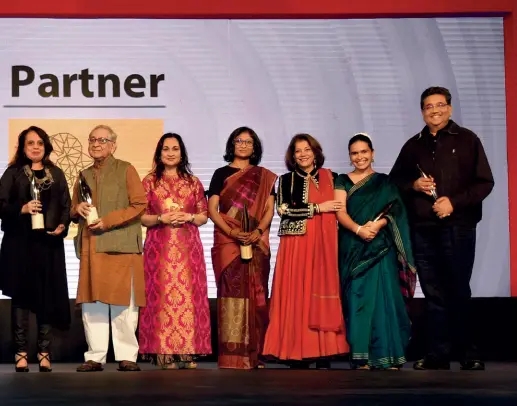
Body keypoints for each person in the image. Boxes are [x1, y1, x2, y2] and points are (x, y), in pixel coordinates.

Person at [390, 86, 494, 371]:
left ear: (449, 108)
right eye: (428, 107)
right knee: (433, 292)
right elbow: (394, 181)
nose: (434, 111)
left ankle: (468, 352)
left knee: (458, 289)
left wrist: (454, 203)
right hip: (423, 228)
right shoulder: (414, 145)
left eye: (439, 105)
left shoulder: (468, 140)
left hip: (457, 226)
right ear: (422, 112)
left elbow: (484, 182)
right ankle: (438, 354)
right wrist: (414, 184)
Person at [263, 133, 348, 369]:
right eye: (298, 151)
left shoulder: (331, 177)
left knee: (321, 287)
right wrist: (319, 208)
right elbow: (283, 209)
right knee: (297, 291)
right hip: (297, 243)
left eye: (307, 149)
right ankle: (296, 350)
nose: (303, 154)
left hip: (325, 242)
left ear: (315, 152)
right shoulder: (286, 180)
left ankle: (325, 350)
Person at [335, 133, 416, 370]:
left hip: (381, 247)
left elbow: (396, 212)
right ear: (350, 157)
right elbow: (340, 213)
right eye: (355, 153)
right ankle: (361, 358)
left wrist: (378, 225)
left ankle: (390, 356)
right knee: (357, 300)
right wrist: (359, 230)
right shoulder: (341, 180)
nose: (360, 157)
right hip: (353, 247)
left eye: (364, 152)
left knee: (386, 300)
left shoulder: (385, 182)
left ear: (372, 153)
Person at [71, 125, 147, 372]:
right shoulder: (83, 174)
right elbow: (73, 210)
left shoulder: (126, 169)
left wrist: (109, 220)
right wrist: (77, 210)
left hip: (121, 244)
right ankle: (95, 356)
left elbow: (139, 204)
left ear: (113, 145)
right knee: (93, 303)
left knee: (124, 303)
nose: (96, 143)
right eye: (92, 139)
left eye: (102, 140)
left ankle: (127, 356)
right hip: (92, 244)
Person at [0, 126, 71, 373]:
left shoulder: (57, 173)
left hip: (48, 245)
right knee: (20, 298)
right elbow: (1, 205)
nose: (36, 147)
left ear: (46, 146)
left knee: (47, 298)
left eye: (40, 143)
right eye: (30, 143)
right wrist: (21, 209)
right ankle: (20, 353)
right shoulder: (13, 173)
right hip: (20, 246)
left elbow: (66, 206)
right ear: (22, 147)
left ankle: (44, 352)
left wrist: (63, 224)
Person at [138, 133, 212, 369]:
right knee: (161, 298)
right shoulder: (149, 182)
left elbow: (203, 216)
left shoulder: (193, 182)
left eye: (175, 149)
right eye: (166, 149)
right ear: (159, 153)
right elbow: (141, 217)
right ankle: (163, 352)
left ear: (182, 154)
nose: (170, 153)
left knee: (188, 298)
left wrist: (188, 216)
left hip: (188, 248)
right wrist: (162, 217)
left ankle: (187, 351)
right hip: (158, 249)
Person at [208, 126, 277, 369]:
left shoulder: (264, 176)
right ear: (232, 144)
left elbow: (269, 208)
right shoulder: (221, 173)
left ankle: (254, 355)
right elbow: (212, 209)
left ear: (255, 147)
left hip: (256, 241)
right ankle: (233, 355)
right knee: (231, 296)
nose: (244, 145)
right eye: (239, 140)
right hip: (229, 242)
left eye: (249, 142)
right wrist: (233, 232)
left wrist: (258, 232)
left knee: (256, 297)